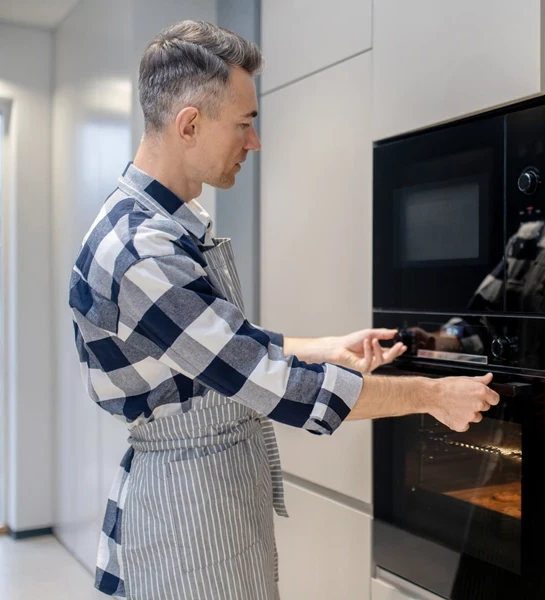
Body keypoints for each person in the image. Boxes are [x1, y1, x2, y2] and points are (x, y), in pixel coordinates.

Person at [68, 19, 499, 600]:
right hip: (190, 512)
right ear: (189, 124)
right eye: (244, 124)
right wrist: (432, 395)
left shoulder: (156, 227)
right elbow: (271, 383)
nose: (255, 142)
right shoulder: (141, 251)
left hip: (209, 489)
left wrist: (328, 347)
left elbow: (224, 345)